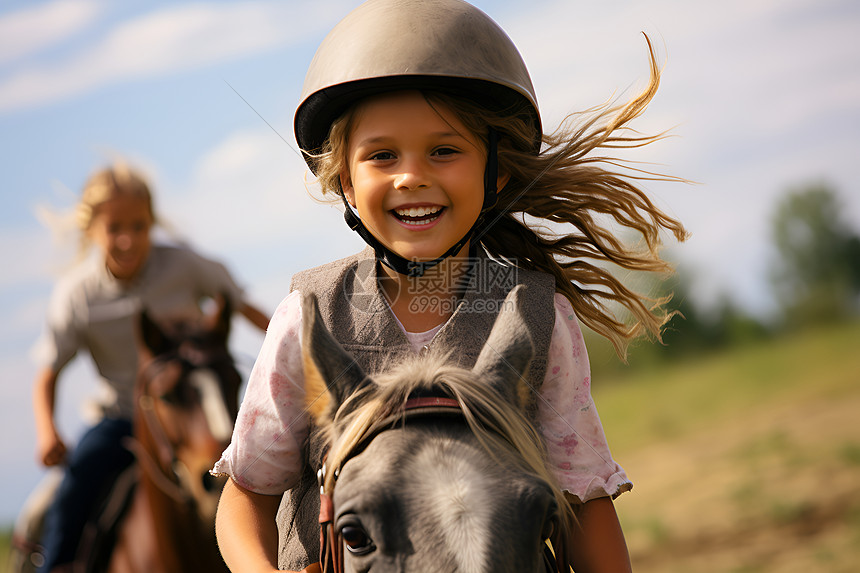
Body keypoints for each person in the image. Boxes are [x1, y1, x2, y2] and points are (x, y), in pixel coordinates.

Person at [213, 0, 688, 571]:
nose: (412, 175)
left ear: (497, 171)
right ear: (344, 179)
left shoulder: (542, 319)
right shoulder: (304, 319)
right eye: (382, 155)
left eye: (444, 150)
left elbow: (585, 503)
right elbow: (245, 499)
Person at [31, 162, 269, 572]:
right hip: (123, 421)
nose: (128, 239)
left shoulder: (184, 265)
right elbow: (48, 371)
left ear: (152, 223)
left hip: (193, 413)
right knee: (71, 492)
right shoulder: (77, 296)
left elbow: (244, 306)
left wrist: (294, 352)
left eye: (139, 226)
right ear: (92, 231)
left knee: (269, 464)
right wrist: (47, 430)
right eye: (114, 228)